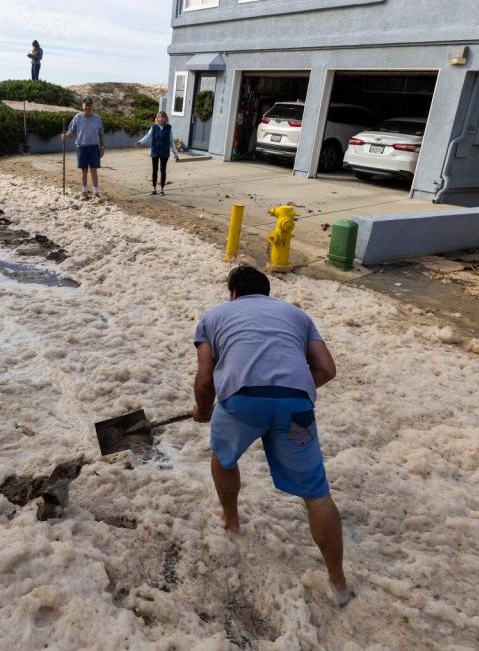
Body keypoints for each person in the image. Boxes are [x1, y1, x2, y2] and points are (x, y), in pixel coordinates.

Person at [192, 265, 352, 606]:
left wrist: (203, 411)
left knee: (223, 459)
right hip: (296, 407)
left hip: (242, 402)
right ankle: (338, 583)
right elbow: (326, 369)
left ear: (233, 293)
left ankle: (232, 522)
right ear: (267, 293)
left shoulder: (214, 316)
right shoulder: (296, 314)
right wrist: (290, 393)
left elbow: (205, 379)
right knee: (317, 493)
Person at [62, 98, 105, 200]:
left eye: (90, 105)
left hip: (94, 147)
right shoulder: (77, 118)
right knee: (84, 171)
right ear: (82, 106)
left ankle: (95, 192)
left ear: (92, 106)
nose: (88, 107)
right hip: (81, 147)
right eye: (86, 105)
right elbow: (71, 132)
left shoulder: (97, 118)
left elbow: (101, 134)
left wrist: (102, 147)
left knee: (94, 170)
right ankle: (84, 191)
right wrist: (65, 136)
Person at [136, 111, 180, 196]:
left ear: (165, 119)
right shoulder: (154, 127)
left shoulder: (169, 128)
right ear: (157, 118)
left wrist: (176, 154)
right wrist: (140, 142)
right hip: (155, 151)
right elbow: (148, 136)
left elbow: (172, 142)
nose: (161, 119)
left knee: (163, 171)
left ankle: (162, 190)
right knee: (154, 171)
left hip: (164, 153)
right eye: (159, 117)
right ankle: (154, 189)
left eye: (163, 117)